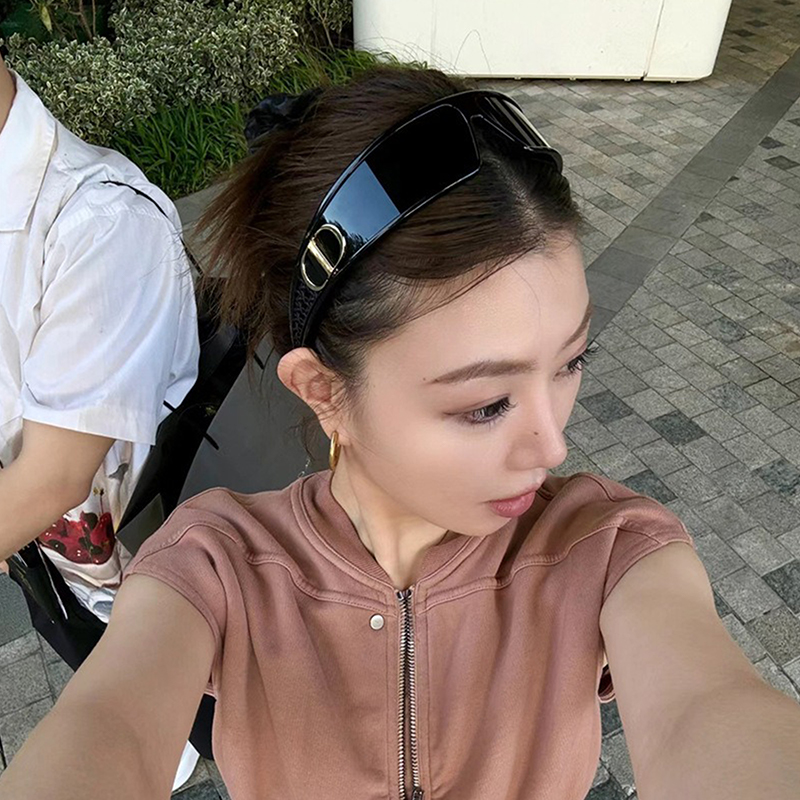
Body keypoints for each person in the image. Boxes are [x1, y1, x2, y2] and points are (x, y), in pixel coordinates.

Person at [2, 64, 799, 800]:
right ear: (324, 391)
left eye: (570, 362)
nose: (553, 445)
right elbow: (108, 726)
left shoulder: (607, 549)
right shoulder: (218, 563)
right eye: (486, 404)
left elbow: (706, 708)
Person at [0, 53, 205, 787]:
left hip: (141, 574)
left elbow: (52, 476)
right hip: (56, 563)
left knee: (169, 722)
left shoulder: (98, 223)